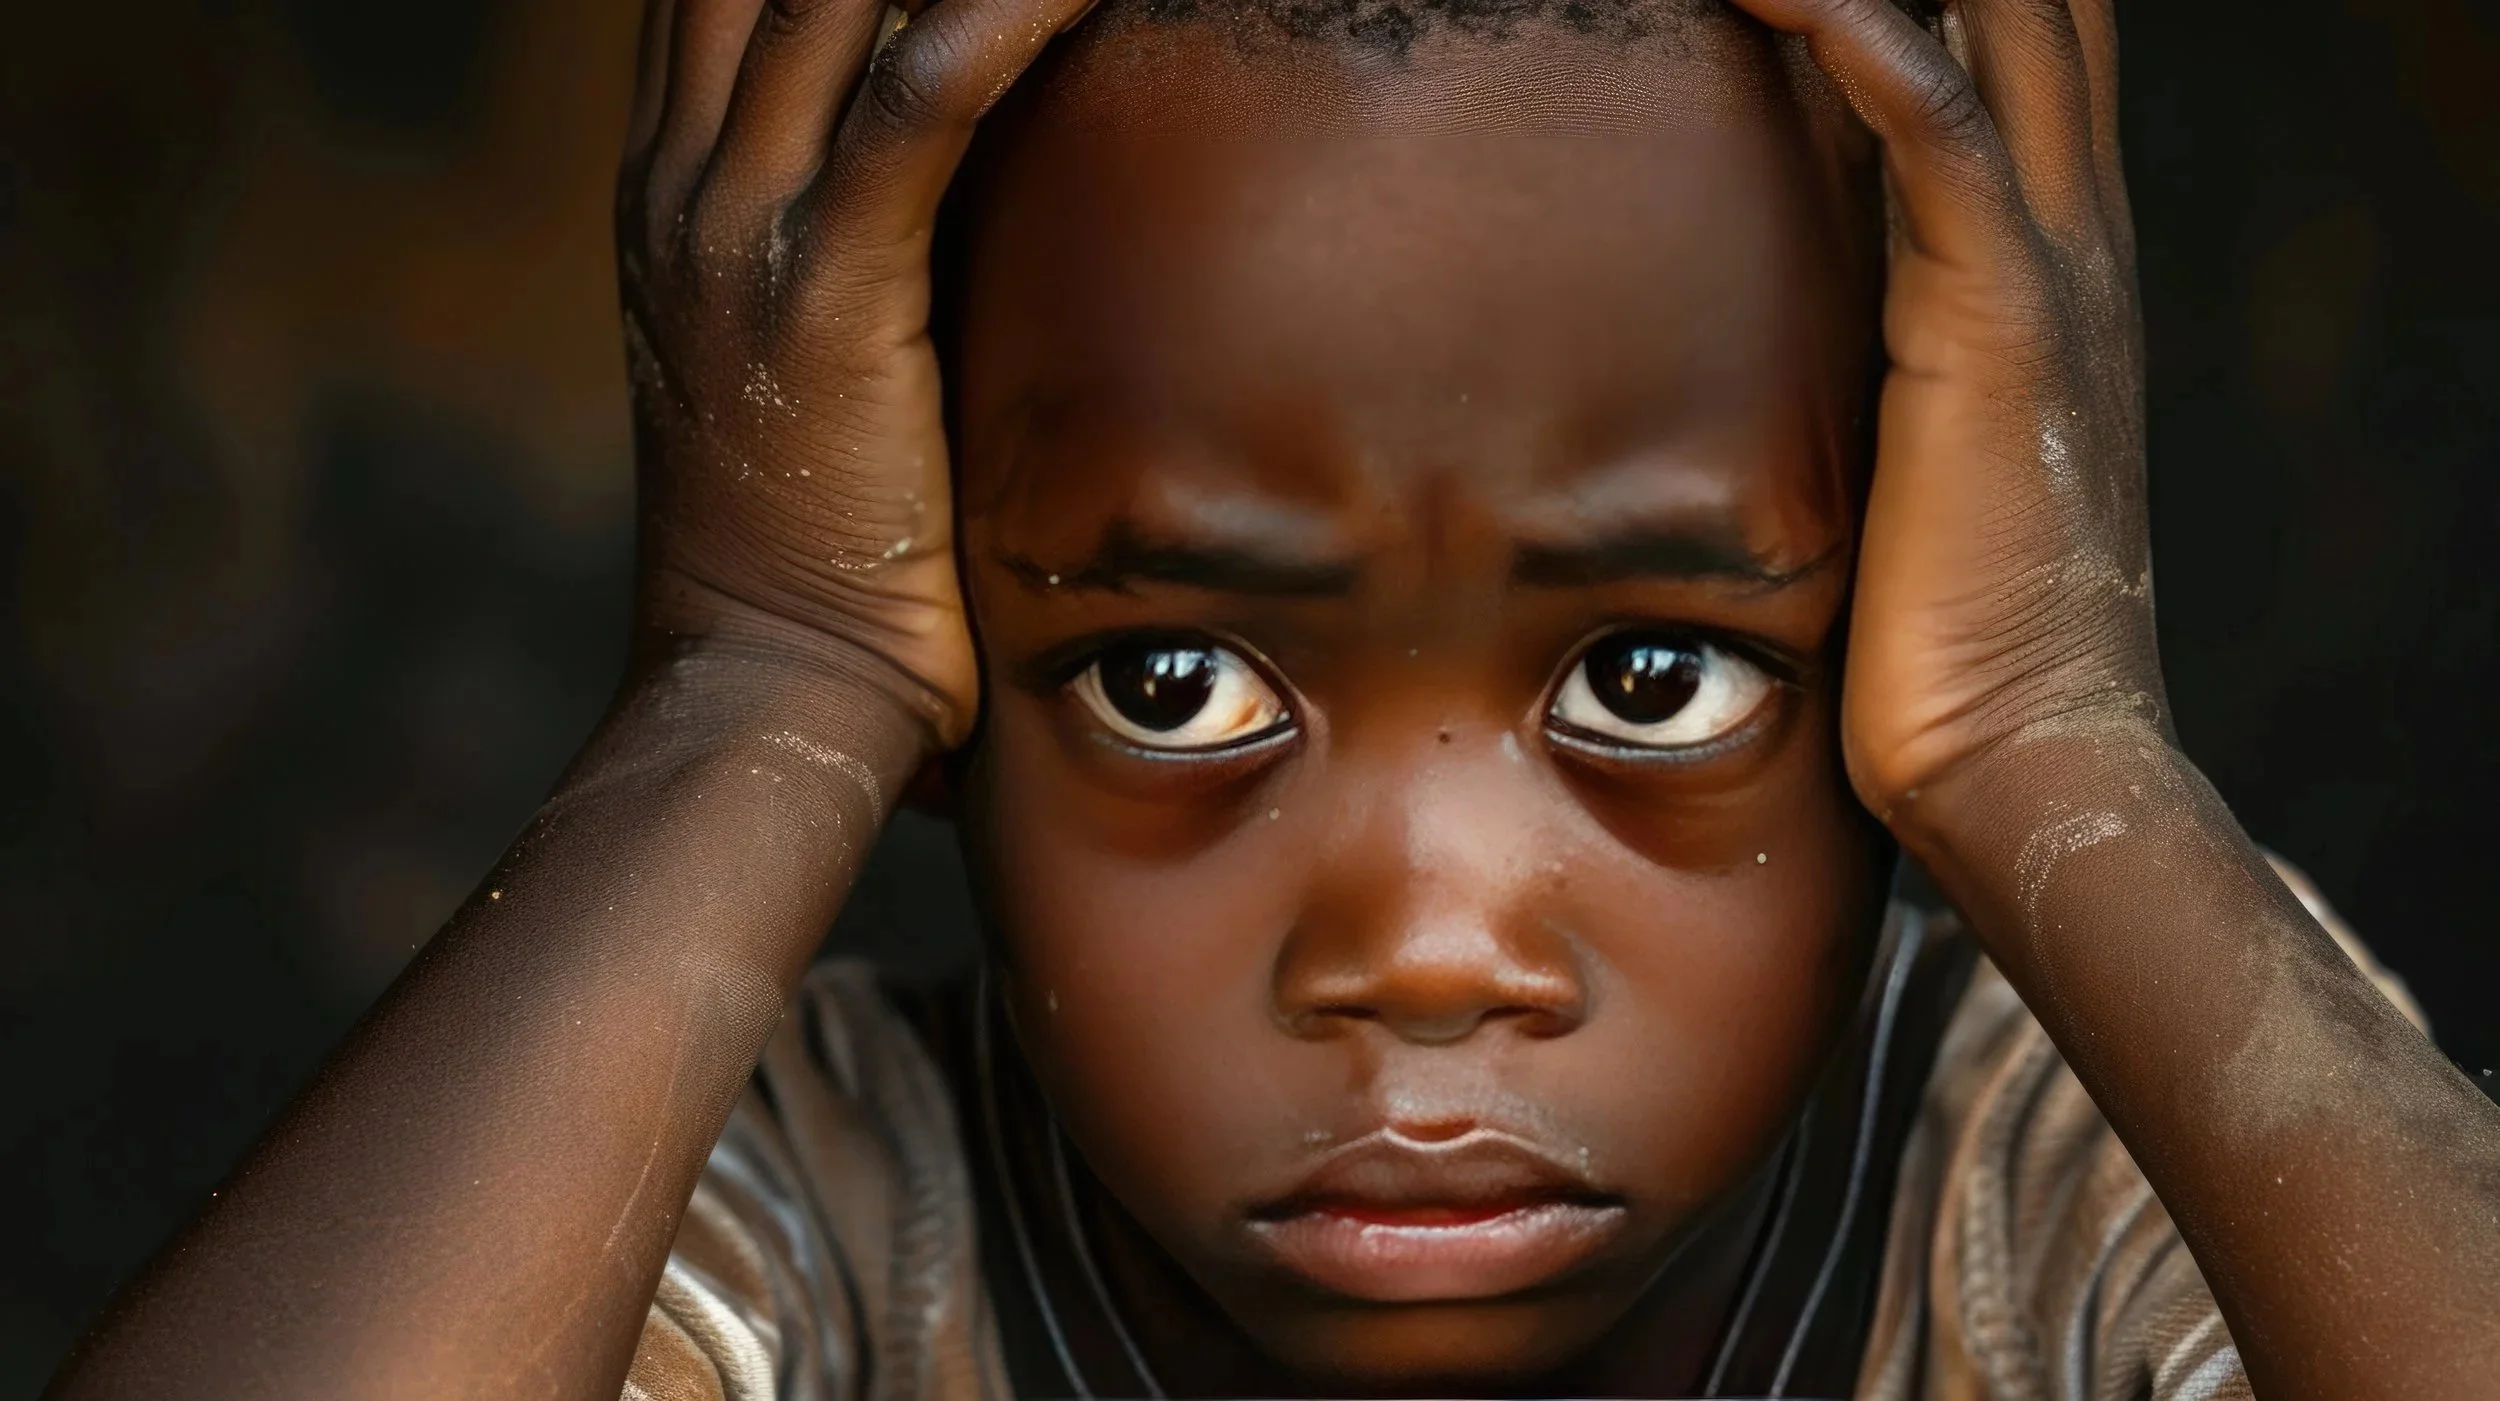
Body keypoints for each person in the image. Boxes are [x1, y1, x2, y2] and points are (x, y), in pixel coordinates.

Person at [46, 0, 2500, 1396]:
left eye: (1648, 677)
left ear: (1909, 618)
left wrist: (2060, 751)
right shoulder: (786, 1214)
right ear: (942, 671)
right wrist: (754, 691)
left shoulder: (2045, 1173)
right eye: (1171, 674)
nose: (1429, 948)